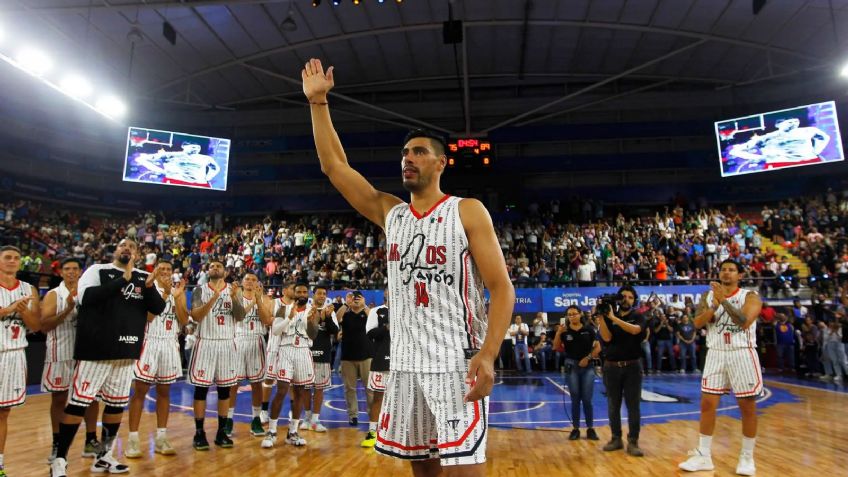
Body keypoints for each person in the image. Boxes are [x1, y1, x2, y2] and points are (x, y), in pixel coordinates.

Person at [304, 58, 514, 475]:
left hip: (456, 362)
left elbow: (502, 288)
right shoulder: (391, 213)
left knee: (462, 469)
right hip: (405, 365)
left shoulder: (467, 211)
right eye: (405, 153)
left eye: (419, 152)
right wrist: (319, 103)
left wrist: (489, 354)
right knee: (421, 469)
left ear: (441, 163)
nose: (409, 158)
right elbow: (335, 167)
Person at [50, 238, 166, 477]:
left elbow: (158, 309)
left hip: (127, 351)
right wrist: (123, 279)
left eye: (132, 247)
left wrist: (149, 287)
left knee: (115, 405)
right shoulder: (97, 270)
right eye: (123, 245)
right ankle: (59, 459)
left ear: (137, 253)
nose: (127, 249)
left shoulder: (144, 277)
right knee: (78, 404)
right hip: (96, 350)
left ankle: (104, 456)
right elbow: (87, 299)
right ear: (116, 250)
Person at [679, 259, 763, 476]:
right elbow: (697, 324)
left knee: (747, 407)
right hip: (715, 352)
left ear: (740, 275)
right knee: (707, 404)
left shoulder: (750, 296)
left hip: (741, 352)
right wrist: (714, 305)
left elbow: (743, 321)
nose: (726, 273)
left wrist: (723, 301)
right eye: (723, 269)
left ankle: (747, 457)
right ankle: (704, 456)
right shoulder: (707, 297)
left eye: (732, 270)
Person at [40, 258, 101, 464]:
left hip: (85, 352)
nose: (72, 272)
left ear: (81, 272)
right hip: (60, 353)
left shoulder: (89, 292)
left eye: (75, 269)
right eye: (67, 269)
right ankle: (57, 443)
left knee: (90, 397)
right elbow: (44, 326)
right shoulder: (53, 295)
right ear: (61, 272)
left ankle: (91, 440)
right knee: (59, 399)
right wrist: (67, 309)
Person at [125, 260, 189, 458]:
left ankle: (161, 437)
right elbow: (150, 317)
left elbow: (184, 320)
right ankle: (133, 439)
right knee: (140, 391)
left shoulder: (178, 292)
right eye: (161, 269)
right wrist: (167, 294)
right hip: (150, 342)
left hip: (170, 343)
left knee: (164, 391)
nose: (165, 272)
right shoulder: (147, 288)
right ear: (154, 271)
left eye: (168, 269)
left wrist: (177, 298)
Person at [188, 260, 247, 451]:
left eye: (218, 266)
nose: (215, 268)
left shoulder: (234, 290)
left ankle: (221, 432)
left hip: (227, 343)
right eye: (212, 266)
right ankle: (199, 432)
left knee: (224, 391)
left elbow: (240, 316)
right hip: (205, 342)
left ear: (225, 271)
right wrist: (213, 299)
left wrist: (234, 298)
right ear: (208, 270)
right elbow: (196, 316)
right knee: (201, 390)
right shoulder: (199, 290)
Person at [261, 282, 319, 448]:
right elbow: (277, 330)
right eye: (298, 291)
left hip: (303, 351)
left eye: (304, 291)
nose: (301, 293)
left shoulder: (312, 310)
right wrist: (289, 318)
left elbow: (313, 335)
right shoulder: (283, 308)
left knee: (300, 394)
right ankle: (271, 431)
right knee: (281, 390)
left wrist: (311, 321)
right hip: (285, 350)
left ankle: (292, 432)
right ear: (293, 292)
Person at [0, 245, 41, 477]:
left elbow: (35, 326)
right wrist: (9, 309)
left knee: (3, 413)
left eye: (16, 258)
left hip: (15, 354)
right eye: (7, 257)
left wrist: (24, 311)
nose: (12, 261)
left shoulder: (29, 290)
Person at [598, 285, 647, 457]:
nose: (626, 299)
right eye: (623, 296)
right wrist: (601, 318)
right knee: (613, 405)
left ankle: (633, 441)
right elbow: (606, 338)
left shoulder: (638, 316)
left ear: (634, 300)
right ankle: (615, 438)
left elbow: (635, 330)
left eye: (630, 297)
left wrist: (613, 318)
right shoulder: (610, 316)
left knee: (633, 406)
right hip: (611, 367)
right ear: (618, 299)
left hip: (632, 366)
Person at [226, 273, 273, 438]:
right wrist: (253, 301)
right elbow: (236, 317)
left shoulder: (265, 299)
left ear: (258, 283)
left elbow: (267, 320)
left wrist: (258, 300)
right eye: (247, 279)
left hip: (257, 340)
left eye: (254, 279)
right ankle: (228, 420)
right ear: (242, 283)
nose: (250, 282)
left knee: (257, 384)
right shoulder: (235, 297)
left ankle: (256, 419)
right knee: (233, 383)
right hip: (238, 340)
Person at [553, 305, 600, 441]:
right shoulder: (565, 332)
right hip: (571, 366)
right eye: (569, 314)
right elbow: (556, 347)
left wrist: (588, 358)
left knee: (587, 399)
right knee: (575, 399)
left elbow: (598, 347)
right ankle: (575, 429)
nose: (572, 316)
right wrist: (558, 333)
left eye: (574, 313)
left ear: (580, 314)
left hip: (588, 366)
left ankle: (590, 428)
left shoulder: (589, 330)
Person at [300, 285, 338, 433]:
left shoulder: (330, 311)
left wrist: (327, 318)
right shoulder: (306, 309)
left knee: (319, 388)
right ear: (313, 294)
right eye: (319, 293)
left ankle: (315, 419)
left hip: (323, 354)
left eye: (324, 293)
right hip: (306, 353)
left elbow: (335, 331)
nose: (321, 296)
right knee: (305, 388)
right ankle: (307, 418)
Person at [337, 291, 373, 426]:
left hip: (367, 356)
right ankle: (353, 415)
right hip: (348, 357)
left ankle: (373, 416)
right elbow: (336, 318)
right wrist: (346, 304)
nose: (356, 300)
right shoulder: (345, 314)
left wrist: (364, 306)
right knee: (349, 389)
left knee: (370, 389)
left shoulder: (368, 312)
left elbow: (374, 321)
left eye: (359, 298)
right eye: (354, 298)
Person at [361, 295, 390, 447]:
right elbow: (370, 334)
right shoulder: (377, 311)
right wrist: (385, 328)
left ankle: (395, 434)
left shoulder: (405, 310)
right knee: (378, 398)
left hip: (403, 362)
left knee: (403, 400)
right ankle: (372, 432)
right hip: (381, 361)